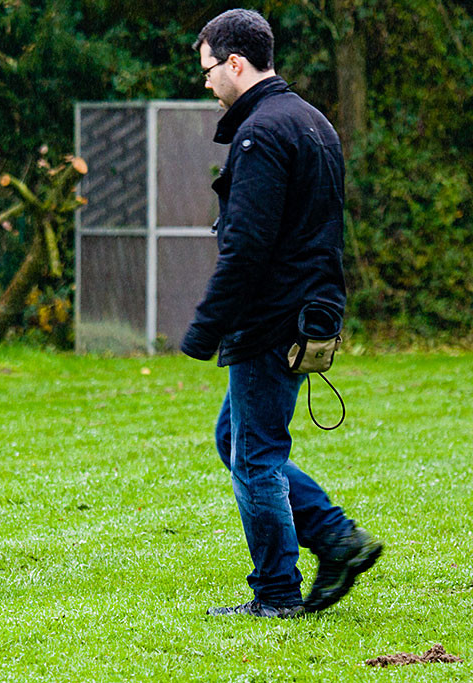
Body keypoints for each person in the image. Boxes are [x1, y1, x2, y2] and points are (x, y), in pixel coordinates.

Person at [181, 8, 382, 618]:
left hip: (271, 317)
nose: (208, 83)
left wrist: (205, 327)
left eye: (210, 70)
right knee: (235, 439)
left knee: (255, 457)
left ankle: (277, 592)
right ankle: (336, 539)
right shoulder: (313, 121)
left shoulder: (261, 132)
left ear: (236, 63)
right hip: (308, 310)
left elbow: (248, 247)